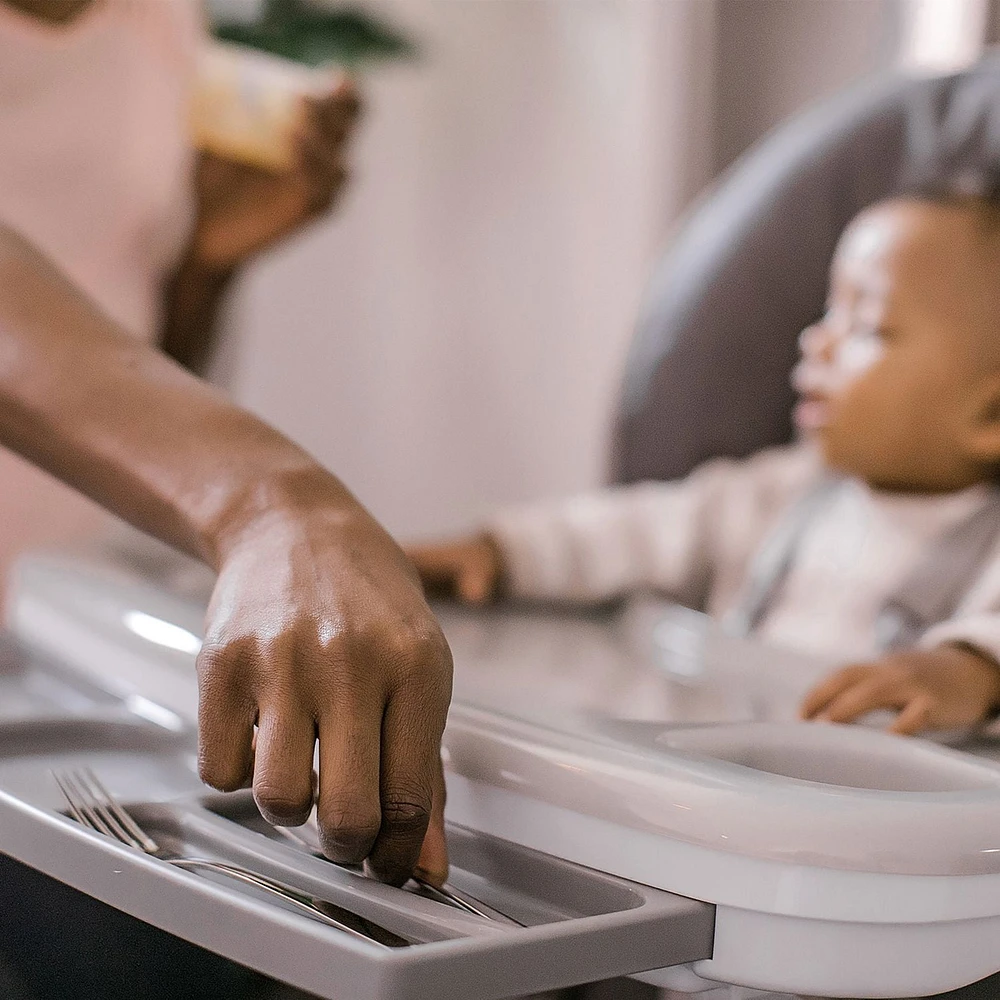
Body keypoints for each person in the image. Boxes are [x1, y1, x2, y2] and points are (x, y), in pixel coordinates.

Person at [0, 0, 451, 885]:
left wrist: (204, 262)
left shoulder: (162, 23)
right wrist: (273, 503)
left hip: (60, 647)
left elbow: (139, 364)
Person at [409, 191, 1000, 738]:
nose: (815, 341)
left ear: (991, 413)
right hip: (726, 775)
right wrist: (503, 552)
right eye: (828, 312)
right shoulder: (782, 495)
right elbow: (635, 530)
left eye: (866, 325)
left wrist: (968, 672)